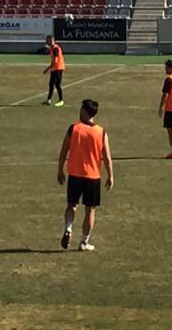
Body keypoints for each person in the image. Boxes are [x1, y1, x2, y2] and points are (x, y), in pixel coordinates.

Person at [57, 99, 114, 251]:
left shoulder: (74, 129)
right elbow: (107, 157)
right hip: (93, 176)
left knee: (71, 205)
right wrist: (110, 175)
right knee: (90, 209)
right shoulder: (101, 132)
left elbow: (64, 150)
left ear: (85, 111)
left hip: (75, 174)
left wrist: (60, 169)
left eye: (81, 108)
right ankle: (84, 242)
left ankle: (68, 228)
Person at [42, 35, 65, 107]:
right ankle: (48, 100)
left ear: (51, 40)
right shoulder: (51, 48)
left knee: (57, 85)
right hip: (54, 68)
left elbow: (55, 61)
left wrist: (47, 69)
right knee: (51, 84)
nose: (46, 41)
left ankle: (61, 100)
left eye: (48, 40)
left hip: (58, 68)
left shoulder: (55, 48)